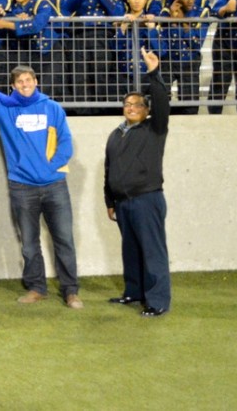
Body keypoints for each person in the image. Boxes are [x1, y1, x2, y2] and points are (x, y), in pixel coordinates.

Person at [0, 43, 82, 308]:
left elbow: (65, 142)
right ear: (14, 86)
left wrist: (52, 167)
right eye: (20, 81)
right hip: (22, 188)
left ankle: (71, 290)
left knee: (64, 240)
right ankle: (37, 287)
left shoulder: (52, 107)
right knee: (29, 243)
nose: (25, 84)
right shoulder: (5, 109)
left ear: (35, 82)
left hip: (55, 186)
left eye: (28, 80)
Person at [104, 48, 171, 317]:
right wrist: (109, 201)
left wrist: (154, 73)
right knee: (130, 250)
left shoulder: (155, 128)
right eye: (127, 105)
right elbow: (109, 169)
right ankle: (134, 292)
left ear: (146, 110)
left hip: (147, 199)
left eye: (137, 105)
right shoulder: (115, 134)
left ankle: (157, 301)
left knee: (152, 252)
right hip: (123, 203)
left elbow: (162, 101)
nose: (131, 108)